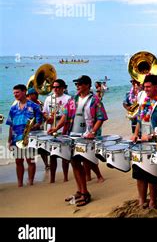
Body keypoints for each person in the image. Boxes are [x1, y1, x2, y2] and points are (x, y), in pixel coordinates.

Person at [55, 75, 108, 206]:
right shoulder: (73, 99)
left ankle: (85, 193)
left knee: (84, 162)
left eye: (80, 84)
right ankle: (80, 190)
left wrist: (93, 132)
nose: (77, 86)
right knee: (74, 163)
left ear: (87, 85)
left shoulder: (95, 100)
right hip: (71, 135)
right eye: (76, 84)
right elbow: (65, 116)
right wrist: (55, 128)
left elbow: (101, 118)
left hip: (86, 137)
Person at [131, 74, 157, 209]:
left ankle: (153, 201)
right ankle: (141, 200)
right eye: (145, 87)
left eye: (149, 87)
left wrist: (149, 136)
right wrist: (135, 134)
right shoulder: (144, 103)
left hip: (155, 144)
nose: (146, 89)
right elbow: (139, 121)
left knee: (151, 175)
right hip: (141, 143)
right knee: (139, 173)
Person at [6, 84, 43, 187]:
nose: (15, 95)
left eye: (17, 92)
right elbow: (10, 126)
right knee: (18, 161)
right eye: (14, 93)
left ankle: (31, 182)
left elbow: (39, 122)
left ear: (24, 92)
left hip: (30, 138)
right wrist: (9, 141)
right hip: (16, 138)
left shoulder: (34, 106)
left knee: (30, 160)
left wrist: (32, 127)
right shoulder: (13, 108)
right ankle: (20, 183)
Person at [43, 79, 71, 183]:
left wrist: (58, 117)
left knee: (64, 154)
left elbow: (67, 114)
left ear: (63, 88)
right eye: (54, 87)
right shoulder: (49, 98)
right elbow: (45, 111)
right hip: (51, 129)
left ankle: (65, 177)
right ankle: (52, 179)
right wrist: (47, 118)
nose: (56, 89)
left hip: (63, 129)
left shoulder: (68, 99)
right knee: (52, 155)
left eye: (58, 87)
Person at [26, 87, 49, 170]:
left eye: (37, 94)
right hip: (30, 130)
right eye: (34, 94)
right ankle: (31, 165)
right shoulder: (27, 104)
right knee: (31, 149)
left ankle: (46, 164)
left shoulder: (40, 103)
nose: (36, 95)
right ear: (29, 95)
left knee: (42, 148)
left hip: (40, 129)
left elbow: (44, 114)